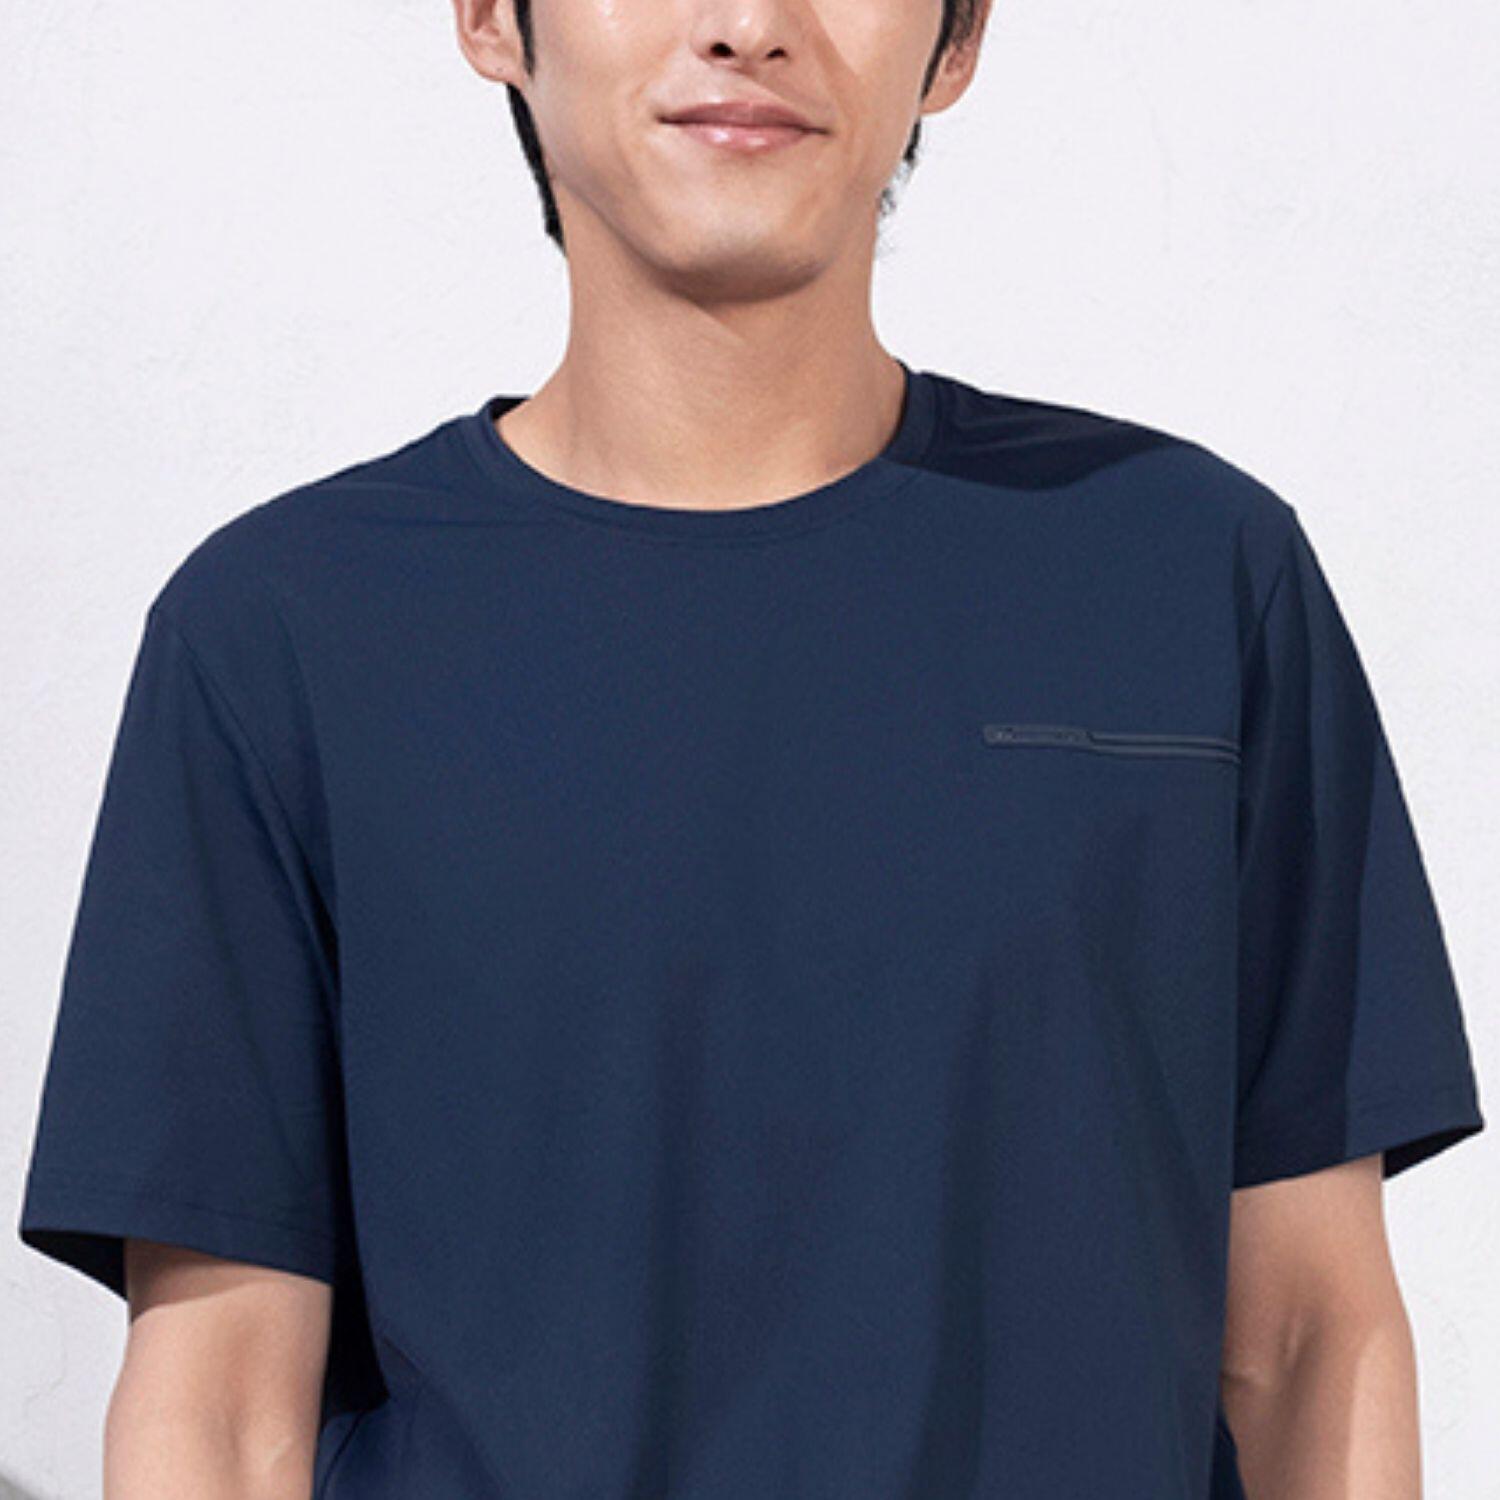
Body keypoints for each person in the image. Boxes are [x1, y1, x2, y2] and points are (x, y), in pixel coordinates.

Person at [16, 1, 1486, 1496]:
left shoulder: (1187, 576)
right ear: (491, 18)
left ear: (957, 41)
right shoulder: (280, 634)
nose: (746, 25)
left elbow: (1308, 1334)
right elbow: (220, 1406)